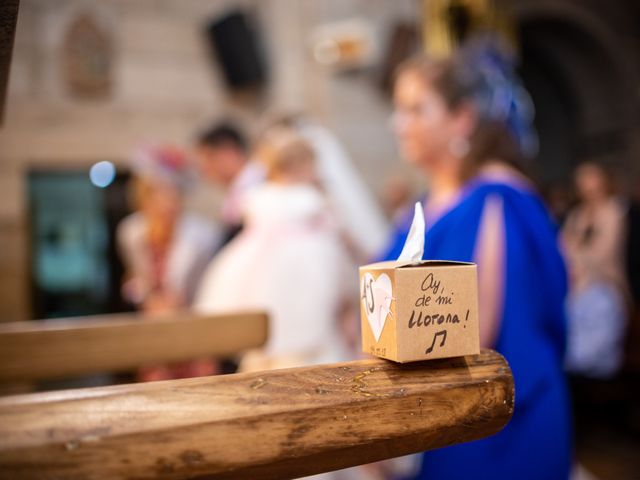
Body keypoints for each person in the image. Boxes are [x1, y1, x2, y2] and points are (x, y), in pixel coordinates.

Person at [382, 40, 571, 479]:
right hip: (446, 417)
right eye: (398, 109)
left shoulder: (495, 198)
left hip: (498, 424)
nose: (399, 124)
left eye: (416, 109)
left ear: (461, 118)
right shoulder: (428, 204)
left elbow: (473, 329)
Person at [194, 126, 353, 371]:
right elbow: (333, 242)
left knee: (267, 347)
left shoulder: (258, 197)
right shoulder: (310, 199)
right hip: (306, 278)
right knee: (309, 342)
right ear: (302, 166)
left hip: (263, 283)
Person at [117, 144, 219, 381]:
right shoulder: (130, 232)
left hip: (193, 327)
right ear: (144, 197)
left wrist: (178, 304)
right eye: (159, 194)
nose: (167, 202)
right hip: (154, 329)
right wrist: (146, 297)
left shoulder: (202, 235)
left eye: (173, 193)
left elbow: (208, 286)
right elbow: (135, 278)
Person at [562, 162, 628, 378]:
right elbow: (562, 249)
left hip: (603, 286)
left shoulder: (613, 211)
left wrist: (577, 257)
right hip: (576, 288)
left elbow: (603, 253)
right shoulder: (576, 216)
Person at [195, 121, 263, 246]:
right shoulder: (238, 190)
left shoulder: (259, 186)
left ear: (229, 151)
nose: (205, 169)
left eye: (209, 158)